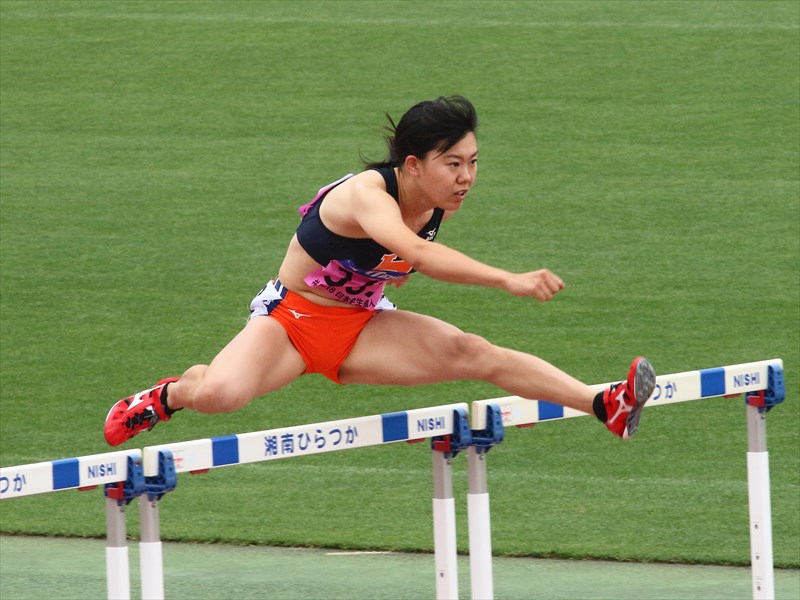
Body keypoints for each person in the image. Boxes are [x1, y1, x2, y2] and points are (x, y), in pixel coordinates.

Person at [104, 96, 656, 447]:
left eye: (473, 163)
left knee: (473, 352)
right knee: (221, 394)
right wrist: (506, 279)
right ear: (412, 164)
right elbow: (417, 258)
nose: (466, 177)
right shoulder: (367, 196)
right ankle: (167, 397)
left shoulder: (437, 200)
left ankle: (604, 405)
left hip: (362, 327)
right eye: (453, 164)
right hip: (290, 323)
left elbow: (396, 269)